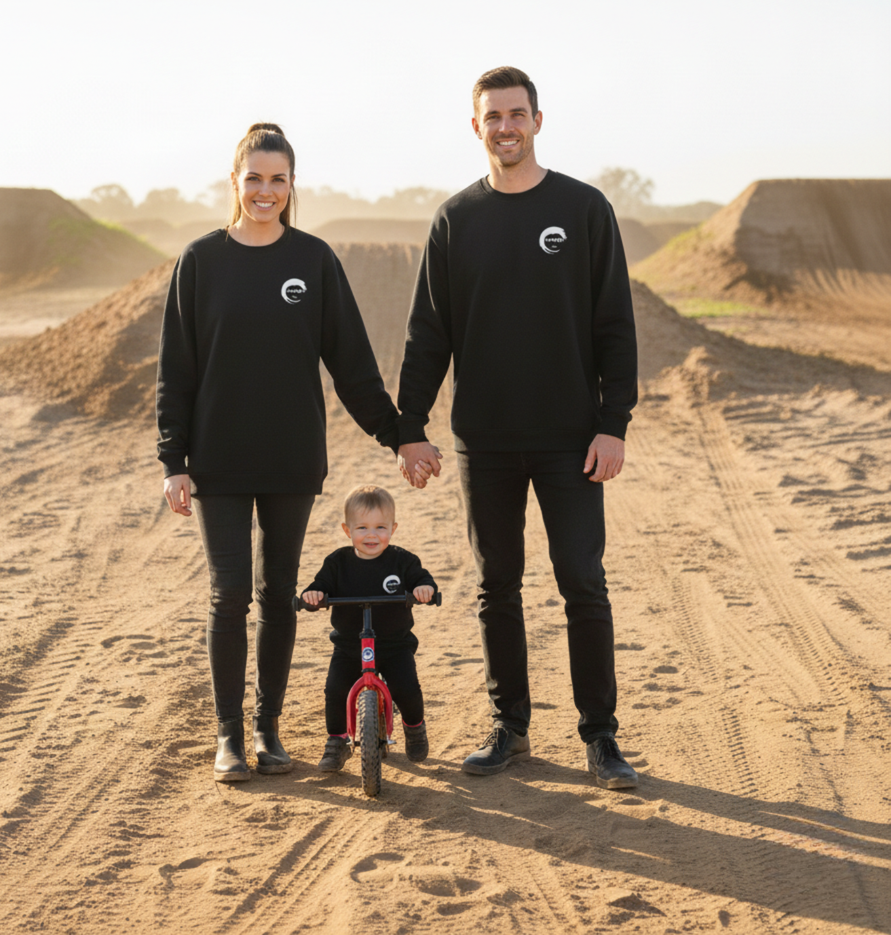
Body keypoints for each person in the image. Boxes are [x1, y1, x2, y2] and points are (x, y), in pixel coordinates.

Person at [395, 67, 639, 788]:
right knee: (496, 586)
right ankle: (511, 730)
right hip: (486, 440)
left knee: (581, 582)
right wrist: (410, 425)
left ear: (538, 120)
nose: (505, 127)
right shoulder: (455, 220)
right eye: (492, 116)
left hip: (571, 440)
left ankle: (601, 736)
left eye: (516, 114)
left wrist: (612, 424)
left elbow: (615, 329)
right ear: (477, 127)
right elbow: (426, 335)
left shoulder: (585, 209)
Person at [156, 124, 399, 782]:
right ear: (234, 181)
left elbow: (352, 365)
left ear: (293, 186)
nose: (266, 191)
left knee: (279, 594)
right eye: (255, 178)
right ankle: (229, 738)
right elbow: (176, 369)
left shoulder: (314, 261)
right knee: (230, 591)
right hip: (218, 460)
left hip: (291, 458)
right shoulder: (201, 262)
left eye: (279, 179)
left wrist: (398, 432)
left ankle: (268, 731)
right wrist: (173, 461)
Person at [300, 484, 435, 771]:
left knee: (407, 688)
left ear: (393, 528)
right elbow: (321, 585)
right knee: (335, 689)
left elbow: (422, 578)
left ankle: (413, 727)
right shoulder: (338, 562)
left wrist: (425, 588)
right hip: (349, 644)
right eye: (362, 527)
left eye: (380, 527)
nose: (371, 535)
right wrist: (314, 595)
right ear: (347, 530)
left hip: (394, 644)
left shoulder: (403, 561)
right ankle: (336, 741)